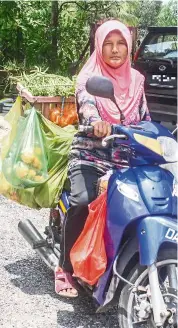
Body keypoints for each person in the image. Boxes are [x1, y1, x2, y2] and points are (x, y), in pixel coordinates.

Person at [54, 19, 151, 297]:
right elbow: (87, 105)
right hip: (91, 152)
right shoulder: (89, 78)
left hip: (124, 156)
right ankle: (65, 268)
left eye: (121, 43)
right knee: (83, 201)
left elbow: (145, 118)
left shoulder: (136, 81)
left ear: (129, 46)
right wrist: (97, 121)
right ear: (99, 46)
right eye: (108, 43)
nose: (115, 49)